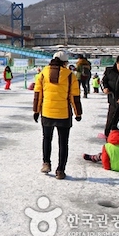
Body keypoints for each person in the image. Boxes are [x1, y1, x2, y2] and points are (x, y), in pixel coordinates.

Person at [33, 51, 83, 180]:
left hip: (47, 112)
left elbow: (38, 94)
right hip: (64, 114)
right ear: (65, 62)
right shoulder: (70, 76)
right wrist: (78, 113)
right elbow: (74, 96)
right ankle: (60, 170)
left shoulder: (42, 74)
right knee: (63, 143)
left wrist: (36, 111)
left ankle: (46, 163)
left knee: (46, 138)